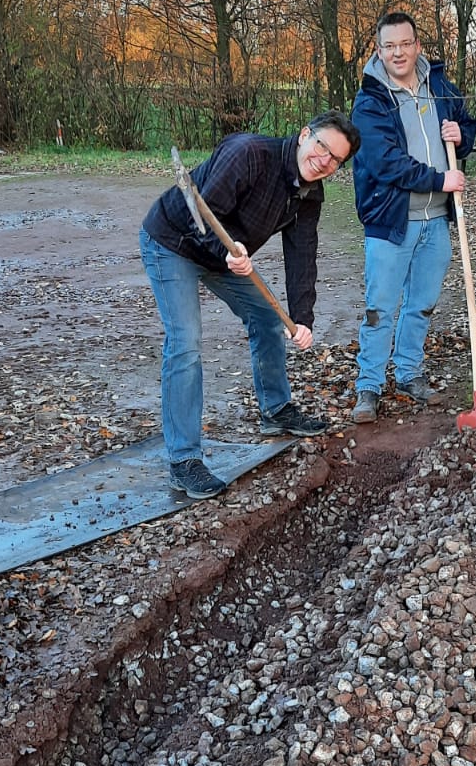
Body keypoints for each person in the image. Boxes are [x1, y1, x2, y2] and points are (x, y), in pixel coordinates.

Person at [139, 112, 359, 498]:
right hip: (173, 243)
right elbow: (200, 215)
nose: (324, 161)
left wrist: (302, 318)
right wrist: (224, 252)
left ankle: (276, 410)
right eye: (322, 147)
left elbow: (302, 254)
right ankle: (183, 459)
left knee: (267, 317)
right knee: (186, 343)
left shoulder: (309, 192)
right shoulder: (249, 153)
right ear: (305, 134)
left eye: (335, 160)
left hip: (226, 256)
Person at [349, 11, 476, 423]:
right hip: (390, 221)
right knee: (379, 308)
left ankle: (408, 373)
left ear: (417, 45)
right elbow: (386, 163)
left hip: (436, 220)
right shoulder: (370, 101)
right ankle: (368, 386)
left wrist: (463, 135)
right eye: (389, 46)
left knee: (420, 304)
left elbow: (467, 123)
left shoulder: (439, 86)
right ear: (379, 49)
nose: (398, 52)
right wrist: (441, 179)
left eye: (405, 44)